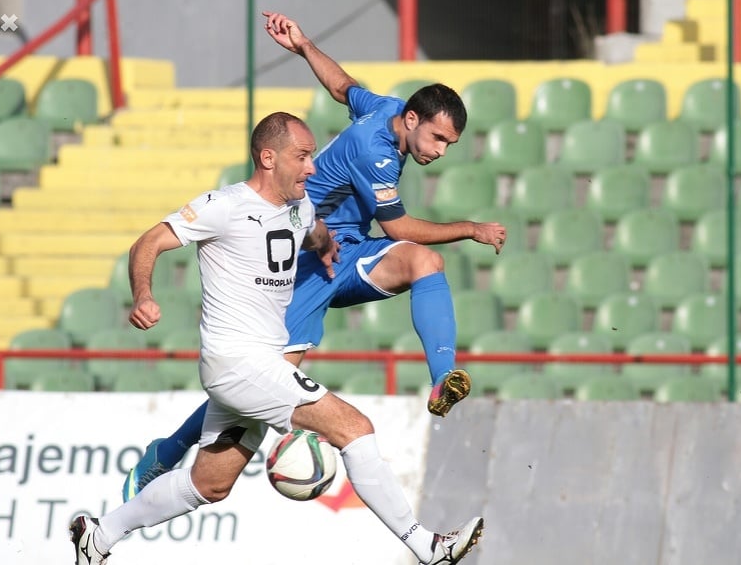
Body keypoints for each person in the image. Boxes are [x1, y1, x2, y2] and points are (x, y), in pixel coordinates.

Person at [121, 10, 508, 501]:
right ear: (413, 120)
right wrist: (470, 228)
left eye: (449, 144)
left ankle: (441, 379)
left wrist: (304, 45)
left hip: (342, 248)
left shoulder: (384, 109)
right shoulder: (376, 151)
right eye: (437, 138)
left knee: (424, 263)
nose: (441, 151)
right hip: (304, 256)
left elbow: (343, 86)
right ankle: (169, 452)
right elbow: (399, 226)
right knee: (271, 378)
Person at [69, 112, 484, 565]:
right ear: (268, 158)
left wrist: (326, 247)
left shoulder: (299, 206)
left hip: (255, 367)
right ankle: (427, 547)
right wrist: (143, 295)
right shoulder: (223, 205)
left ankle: (100, 535)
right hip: (239, 363)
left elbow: (313, 229)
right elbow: (147, 243)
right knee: (355, 429)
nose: (311, 166)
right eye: (302, 156)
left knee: (210, 483)